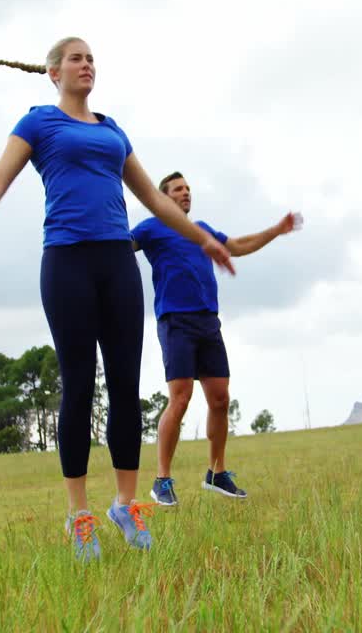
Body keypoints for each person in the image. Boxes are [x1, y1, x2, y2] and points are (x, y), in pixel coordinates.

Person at [0, 38, 234, 561]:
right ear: (53, 71)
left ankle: (127, 505)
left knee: (126, 386)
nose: (87, 65)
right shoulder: (38, 123)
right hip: (66, 262)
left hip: (117, 263)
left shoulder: (112, 129)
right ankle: (79, 514)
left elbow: (151, 197)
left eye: (92, 59)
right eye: (77, 58)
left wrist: (203, 238)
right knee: (79, 386)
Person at [132, 172, 301, 505]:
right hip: (175, 319)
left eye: (188, 189)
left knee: (220, 398)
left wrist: (276, 230)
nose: (186, 193)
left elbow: (236, 246)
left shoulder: (203, 230)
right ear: (163, 198)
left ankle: (216, 473)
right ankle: (162, 480)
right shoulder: (151, 228)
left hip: (208, 321)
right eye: (178, 190)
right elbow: (122, 248)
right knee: (180, 398)